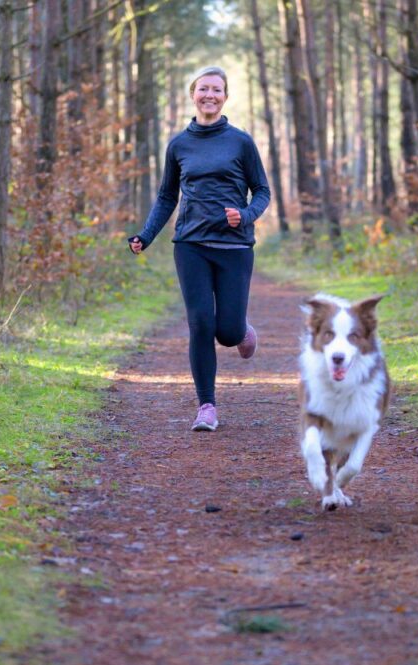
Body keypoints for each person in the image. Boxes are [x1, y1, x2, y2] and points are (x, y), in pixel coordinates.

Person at [128, 65, 271, 432]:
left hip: (234, 246)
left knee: (227, 331)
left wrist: (245, 215)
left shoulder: (241, 142)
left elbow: (262, 191)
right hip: (190, 245)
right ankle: (206, 406)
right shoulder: (179, 145)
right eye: (203, 89)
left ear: (225, 97)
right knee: (201, 323)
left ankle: (241, 330)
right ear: (193, 94)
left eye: (216, 90)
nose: (210, 95)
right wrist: (146, 235)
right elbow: (166, 197)